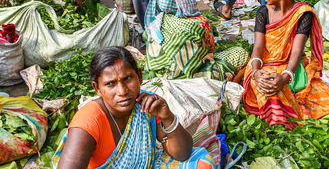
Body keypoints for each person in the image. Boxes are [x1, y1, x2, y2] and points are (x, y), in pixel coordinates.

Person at [53, 46, 216, 168]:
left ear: (139, 76)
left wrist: (168, 118)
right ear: (97, 88)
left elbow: (182, 153)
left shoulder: (145, 104)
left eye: (128, 79)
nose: (122, 91)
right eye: (110, 84)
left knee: (202, 163)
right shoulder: (89, 120)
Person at [242, 0, 329, 130]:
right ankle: (288, 113)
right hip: (264, 67)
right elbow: (258, 48)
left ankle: (292, 112)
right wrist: (256, 73)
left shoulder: (303, 14)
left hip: (293, 70)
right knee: (270, 93)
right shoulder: (263, 12)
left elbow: (297, 51)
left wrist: (285, 77)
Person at [144, 0, 249, 82]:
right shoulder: (198, 23)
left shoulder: (154, 22)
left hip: (161, 75)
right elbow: (209, 50)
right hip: (190, 76)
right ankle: (230, 86)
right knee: (241, 53)